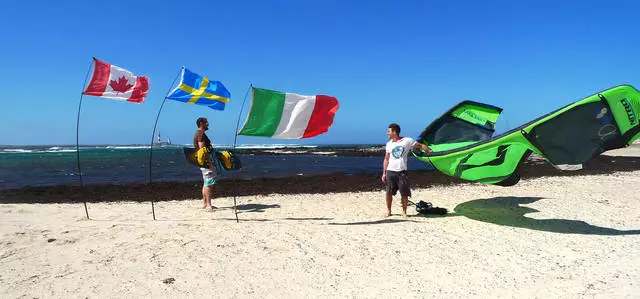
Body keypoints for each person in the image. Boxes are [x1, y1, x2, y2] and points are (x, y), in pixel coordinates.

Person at [382, 123, 432, 217]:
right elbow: (386, 159)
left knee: (404, 193)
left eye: (389, 131)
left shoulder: (407, 140)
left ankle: (404, 212)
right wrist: (384, 173)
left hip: (402, 172)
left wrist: (431, 152)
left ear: (394, 132)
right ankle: (388, 211)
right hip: (390, 171)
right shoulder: (389, 144)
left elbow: (420, 145)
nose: (387, 133)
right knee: (388, 193)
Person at [194, 117, 216, 210]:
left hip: (203, 162)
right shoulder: (201, 134)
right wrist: (209, 162)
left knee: (206, 182)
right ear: (201, 123)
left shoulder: (199, 133)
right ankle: (208, 205)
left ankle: (205, 203)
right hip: (205, 162)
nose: (208, 124)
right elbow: (203, 150)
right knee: (209, 183)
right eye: (206, 123)